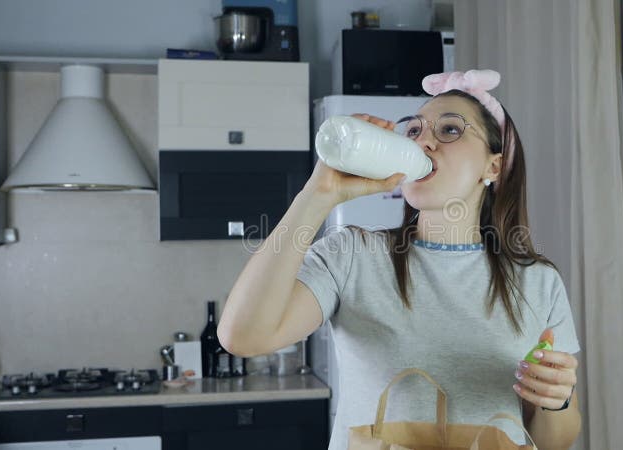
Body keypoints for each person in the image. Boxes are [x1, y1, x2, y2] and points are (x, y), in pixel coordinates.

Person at [218, 69, 582, 450]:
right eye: (414, 131)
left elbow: (551, 443)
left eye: (450, 130)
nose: (423, 141)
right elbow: (242, 336)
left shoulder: (538, 281)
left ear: (493, 167)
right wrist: (318, 194)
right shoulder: (351, 256)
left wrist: (557, 401)